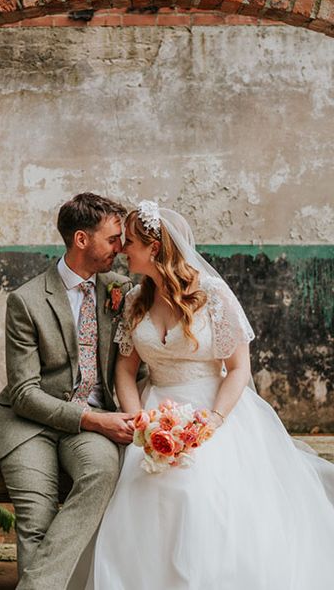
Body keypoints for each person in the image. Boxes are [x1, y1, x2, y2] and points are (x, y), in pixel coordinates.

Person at [86, 201, 334, 590]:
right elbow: (125, 371)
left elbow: (238, 369)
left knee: (195, 489)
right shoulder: (135, 301)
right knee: (142, 493)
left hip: (215, 410)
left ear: (154, 247)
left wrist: (213, 422)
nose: (121, 249)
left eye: (129, 241)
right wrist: (141, 424)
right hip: (154, 411)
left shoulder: (212, 295)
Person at [0, 192, 138, 590]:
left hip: (92, 425)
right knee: (35, 521)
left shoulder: (119, 289)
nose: (120, 248)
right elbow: (23, 393)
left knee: (102, 472)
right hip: (29, 425)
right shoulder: (27, 300)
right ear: (81, 240)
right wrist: (93, 419)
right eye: (113, 239)